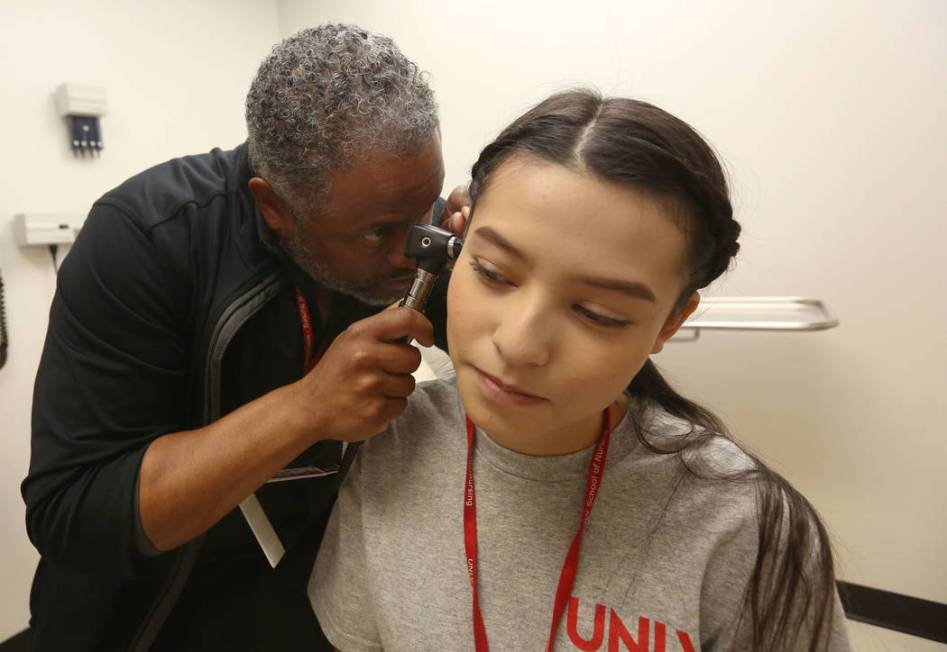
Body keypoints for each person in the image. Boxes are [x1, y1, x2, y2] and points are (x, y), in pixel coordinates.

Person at [309, 89, 853, 651]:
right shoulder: (395, 444)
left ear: (669, 323)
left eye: (597, 313)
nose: (520, 344)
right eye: (494, 273)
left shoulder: (749, 530)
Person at [22, 24, 466, 651]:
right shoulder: (146, 239)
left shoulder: (396, 221)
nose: (413, 250)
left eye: (425, 213)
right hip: (136, 623)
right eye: (378, 233)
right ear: (274, 206)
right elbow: (73, 511)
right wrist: (307, 407)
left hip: (301, 608)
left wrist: (496, 260)